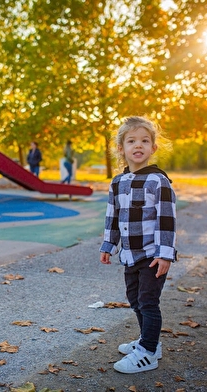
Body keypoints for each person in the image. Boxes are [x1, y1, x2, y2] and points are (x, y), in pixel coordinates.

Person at [99, 116, 176, 374]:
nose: (138, 145)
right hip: (130, 255)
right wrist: (108, 244)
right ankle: (149, 341)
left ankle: (147, 353)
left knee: (148, 301)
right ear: (121, 148)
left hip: (152, 255)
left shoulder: (158, 181)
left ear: (153, 148)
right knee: (134, 298)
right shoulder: (117, 182)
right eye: (131, 141)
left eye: (145, 140)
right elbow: (113, 216)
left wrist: (165, 254)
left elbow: (167, 220)